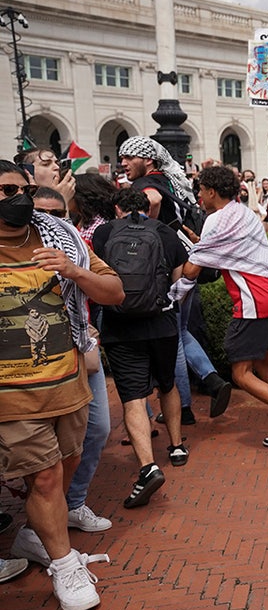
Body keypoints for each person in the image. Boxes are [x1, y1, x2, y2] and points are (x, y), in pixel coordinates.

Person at [0, 159, 125, 609]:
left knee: (64, 469)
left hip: (69, 384)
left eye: (15, 190)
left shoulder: (62, 238)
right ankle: (64, 566)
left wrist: (75, 272)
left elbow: (114, 292)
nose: (8, 199)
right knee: (47, 478)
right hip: (13, 397)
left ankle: (35, 536)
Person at [174, 166, 268, 456]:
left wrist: (173, 288)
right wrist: (201, 245)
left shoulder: (216, 220)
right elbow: (224, 250)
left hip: (256, 301)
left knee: (240, 373)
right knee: (264, 367)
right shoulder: (244, 213)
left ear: (212, 192)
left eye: (200, 190)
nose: (199, 196)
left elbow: (193, 269)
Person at [92, 187, 191, 508]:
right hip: (161, 324)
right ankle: (176, 446)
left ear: (117, 207)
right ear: (149, 208)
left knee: (133, 397)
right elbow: (179, 280)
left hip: (120, 327)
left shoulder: (105, 233)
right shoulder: (166, 233)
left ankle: (148, 466)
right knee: (167, 383)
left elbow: (98, 277)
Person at [31, 186, 115, 533]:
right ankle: (40, 528)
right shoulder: (13, 250)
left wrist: (75, 272)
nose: (50, 221)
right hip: (30, 367)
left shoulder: (76, 246)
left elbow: (114, 291)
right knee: (40, 461)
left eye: (60, 213)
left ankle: (72, 504)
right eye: (42, 213)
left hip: (79, 352)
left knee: (95, 431)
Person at [117, 136, 194, 229]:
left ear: (149, 160)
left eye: (130, 157)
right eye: (122, 158)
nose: (123, 163)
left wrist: (145, 229)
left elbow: (154, 200)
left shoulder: (142, 182)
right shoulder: (168, 178)